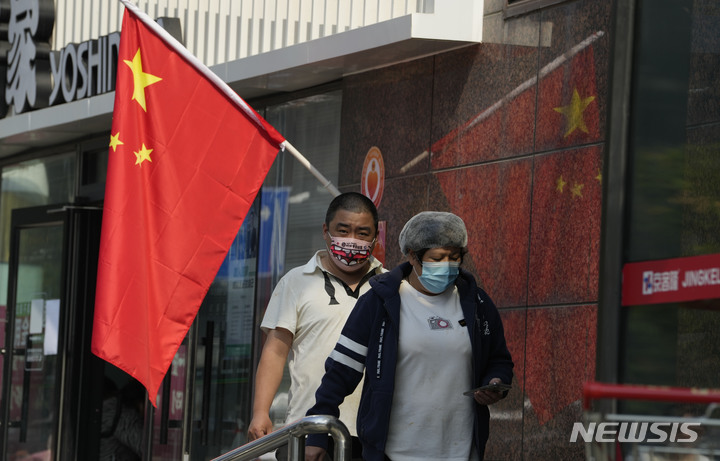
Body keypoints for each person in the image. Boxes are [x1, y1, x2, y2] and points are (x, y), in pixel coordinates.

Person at [305, 211, 514, 461]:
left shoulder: (477, 304)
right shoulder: (379, 303)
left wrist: (494, 382)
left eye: (454, 257)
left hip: (461, 450)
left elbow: (499, 359)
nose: (447, 265)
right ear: (412, 255)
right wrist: (317, 433)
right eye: (437, 258)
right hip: (395, 452)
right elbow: (340, 372)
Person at [247, 192, 384, 460]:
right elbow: (275, 352)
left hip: (372, 432)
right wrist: (260, 411)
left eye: (362, 233)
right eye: (343, 230)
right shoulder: (296, 282)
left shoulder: (390, 287)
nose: (352, 240)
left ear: (375, 237)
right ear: (326, 231)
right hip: (307, 429)